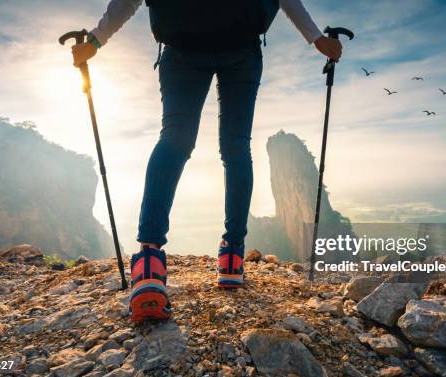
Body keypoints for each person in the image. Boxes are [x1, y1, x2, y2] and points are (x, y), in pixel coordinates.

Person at [72, 0, 343, 322]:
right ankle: (232, 257)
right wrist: (316, 38)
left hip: (183, 46)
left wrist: (96, 39)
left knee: (174, 140)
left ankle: (148, 262)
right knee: (236, 149)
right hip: (240, 49)